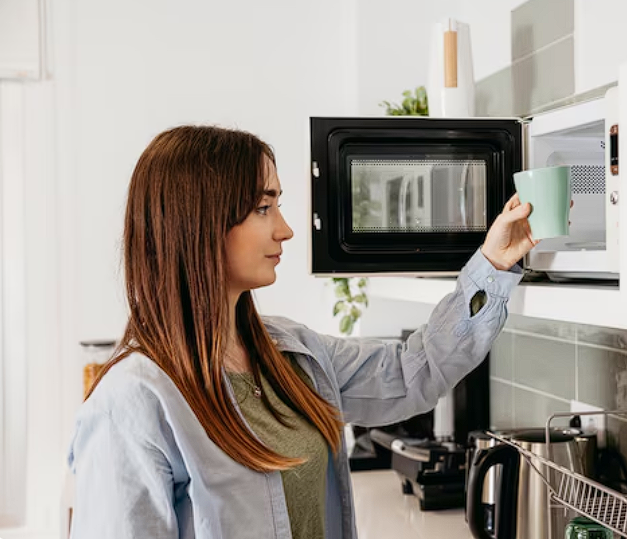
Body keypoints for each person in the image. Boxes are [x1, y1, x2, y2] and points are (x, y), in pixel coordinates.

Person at [67, 125, 540, 539]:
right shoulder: (132, 404)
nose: (287, 229)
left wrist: (493, 264)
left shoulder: (291, 353)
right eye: (262, 207)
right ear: (201, 222)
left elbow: (411, 372)